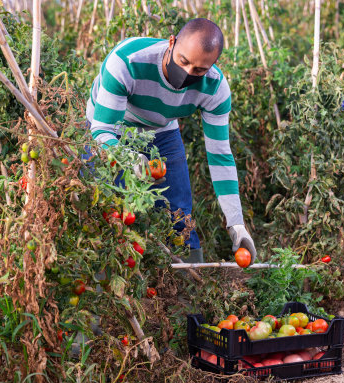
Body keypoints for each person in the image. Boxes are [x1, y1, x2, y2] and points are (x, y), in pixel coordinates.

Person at [85, 18, 256, 264]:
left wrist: (236, 224)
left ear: (212, 66)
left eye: (199, 70)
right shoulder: (127, 61)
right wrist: (128, 157)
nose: (187, 74)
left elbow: (220, 154)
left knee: (179, 215)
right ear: (172, 43)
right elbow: (101, 130)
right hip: (111, 128)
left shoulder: (215, 88)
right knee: (109, 209)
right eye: (183, 61)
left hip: (161, 130)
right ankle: (106, 283)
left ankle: (186, 285)